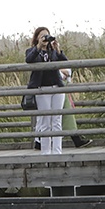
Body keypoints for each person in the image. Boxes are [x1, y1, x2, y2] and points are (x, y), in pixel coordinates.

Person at [25, 27, 67, 155]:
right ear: (37, 38)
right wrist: (39, 47)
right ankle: (46, 153)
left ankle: (57, 152)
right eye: (42, 36)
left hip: (57, 88)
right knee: (45, 121)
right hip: (41, 89)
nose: (45, 38)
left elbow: (65, 62)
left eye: (47, 36)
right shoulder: (32, 51)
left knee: (56, 121)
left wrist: (58, 50)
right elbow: (29, 59)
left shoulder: (53, 51)